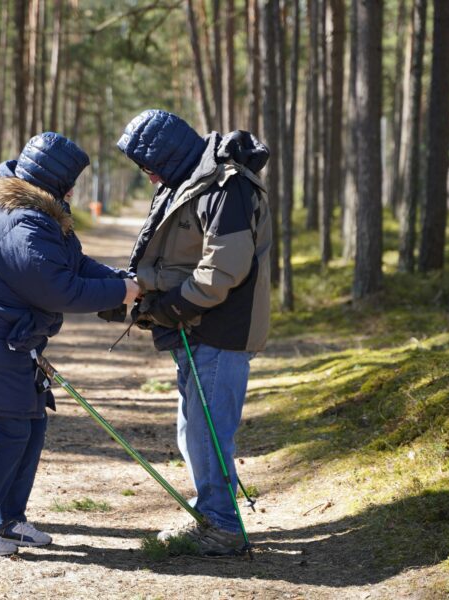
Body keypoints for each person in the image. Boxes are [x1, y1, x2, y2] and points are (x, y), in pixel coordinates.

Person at [0, 132, 140, 556]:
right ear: (57, 182)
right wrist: (121, 293)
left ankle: (7, 521)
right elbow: (58, 289)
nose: (74, 190)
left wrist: (122, 280)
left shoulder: (36, 214)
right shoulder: (20, 222)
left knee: (29, 427)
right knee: (4, 435)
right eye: (71, 182)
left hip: (7, 342)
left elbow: (74, 264)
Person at [114, 109, 271, 556]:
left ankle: (222, 526)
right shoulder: (185, 183)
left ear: (169, 156)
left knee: (208, 433)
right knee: (194, 431)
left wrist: (174, 306)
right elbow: (173, 255)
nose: (146, 176)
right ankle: (213, 513)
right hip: (194, 328)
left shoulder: (228, 186)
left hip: (220, 329)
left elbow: (224, 266)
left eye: (148, 166)